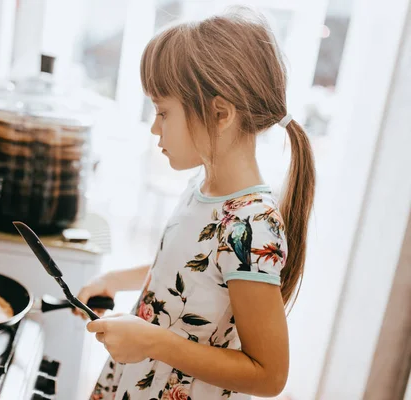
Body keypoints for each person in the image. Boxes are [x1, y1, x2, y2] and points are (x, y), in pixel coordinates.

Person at [74, 7, 316, 400]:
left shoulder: (251, 225)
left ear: (220, 113)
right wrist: (114, 281)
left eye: (162, 112)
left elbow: (269, 376)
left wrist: (152, 342)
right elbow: (188, 270)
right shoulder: (201, 185)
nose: (155, 128)